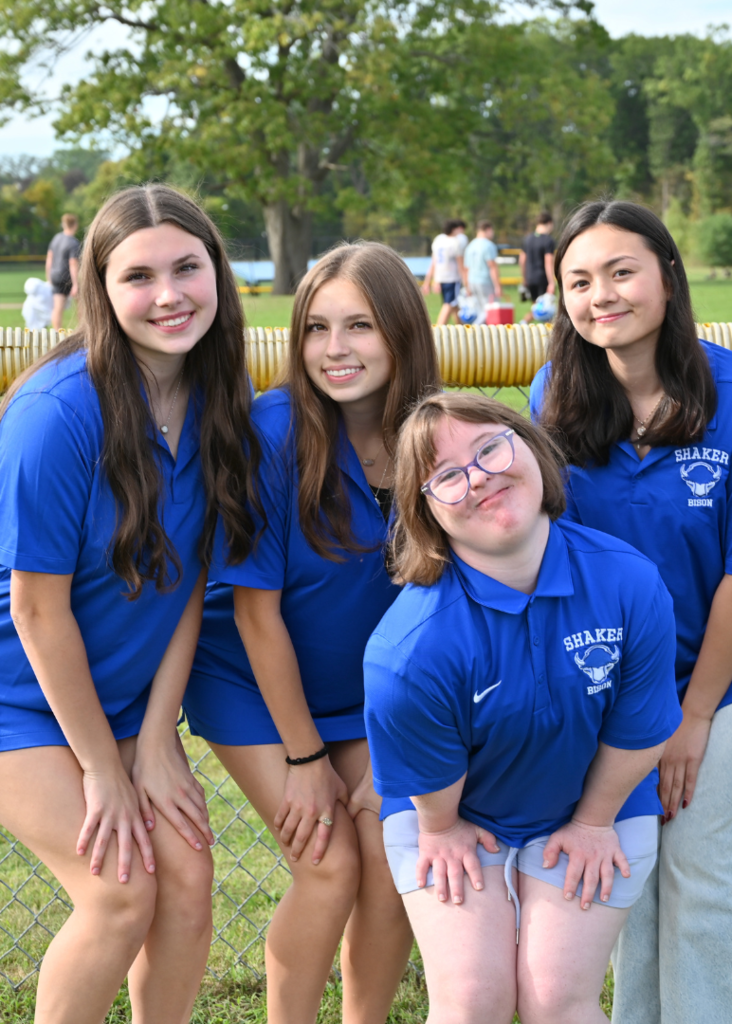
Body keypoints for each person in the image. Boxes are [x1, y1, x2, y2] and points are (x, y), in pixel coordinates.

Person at [531, 199, 732, 1024]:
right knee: (634, 864)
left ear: (667, 276)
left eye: (621, 272)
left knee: (704, 861)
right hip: (630, 671)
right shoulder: (554, 395)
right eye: (579, 281)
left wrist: (691, 719)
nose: (601, 295)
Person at [0, 184, 262, 1024]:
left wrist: (153, 739)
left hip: (121, 705)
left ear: (217, 273)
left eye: (187, 268)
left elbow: (187, 585)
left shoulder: (221, 396)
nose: (169, 295)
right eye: (138, 276)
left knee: (185, 882)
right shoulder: (55, 413)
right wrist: (103, 771)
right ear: (99, 290)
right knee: (120, 893)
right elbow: (36, 613)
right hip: (19, 698)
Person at [363, 392, 682, 1024]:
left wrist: (593, 822)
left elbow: (642, 728)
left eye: (489, 449)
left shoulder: (629, 581)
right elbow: (431, 792)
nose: (479, 477)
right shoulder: (409, 649)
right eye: (448, 476)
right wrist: (441, 830)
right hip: (451, 817)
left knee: (555, 999)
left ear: (532, 448)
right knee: (472, 1001)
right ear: (426, 513)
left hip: (600, 805)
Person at [184, 242, 440, 1024]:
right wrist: (304, 759)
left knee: (391, 857)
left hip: (367, 694)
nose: (335, 349)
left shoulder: (440, 437)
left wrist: (393, 738)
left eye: (359, 325)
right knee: (328, 868)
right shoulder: (271, 434)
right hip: (253, 683)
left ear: (401, 331)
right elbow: (255, 614)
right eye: (317, 328)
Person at [421, 219, 468, 327]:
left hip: (440, 278)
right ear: (454, 229)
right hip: (452, 278)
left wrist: (429, 281)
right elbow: (461, 265)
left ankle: (462, 330)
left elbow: (433, 263)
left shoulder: (438, 241)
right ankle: (438, 330)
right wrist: (466, 283)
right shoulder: (456, 242)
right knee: (448, 305)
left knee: (454, 305)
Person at [519, 211, 556, 324]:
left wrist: (524, 278)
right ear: (549, 223)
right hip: (542, 278)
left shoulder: (528, 239)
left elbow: (522, 260)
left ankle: (523, 324)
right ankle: (549, 333)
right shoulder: (548, 240)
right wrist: (551, 282)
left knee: (536, 307)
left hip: (530, 278)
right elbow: (548, 262)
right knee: (547, 310)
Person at [46, 212, 81, 330]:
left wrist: (49, 277)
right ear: (75, 225)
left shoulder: (56, 238)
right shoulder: (73, 242)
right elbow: (73, 264)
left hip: (55, 276)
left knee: (57, 307)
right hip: (67, 277)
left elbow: (49, 259)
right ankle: (81, 331)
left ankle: (56, 333)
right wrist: (76, 284)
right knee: (81, 306)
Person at [464, 220, 503, 312]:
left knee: (479, 310)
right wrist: (498, 286)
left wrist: (467, 286)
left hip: (472, 281)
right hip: (485, 281)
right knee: (490, 311)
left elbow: (466, 269)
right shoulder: (488, 245)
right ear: (488, 229)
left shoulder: (470, 245)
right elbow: (492, 266)